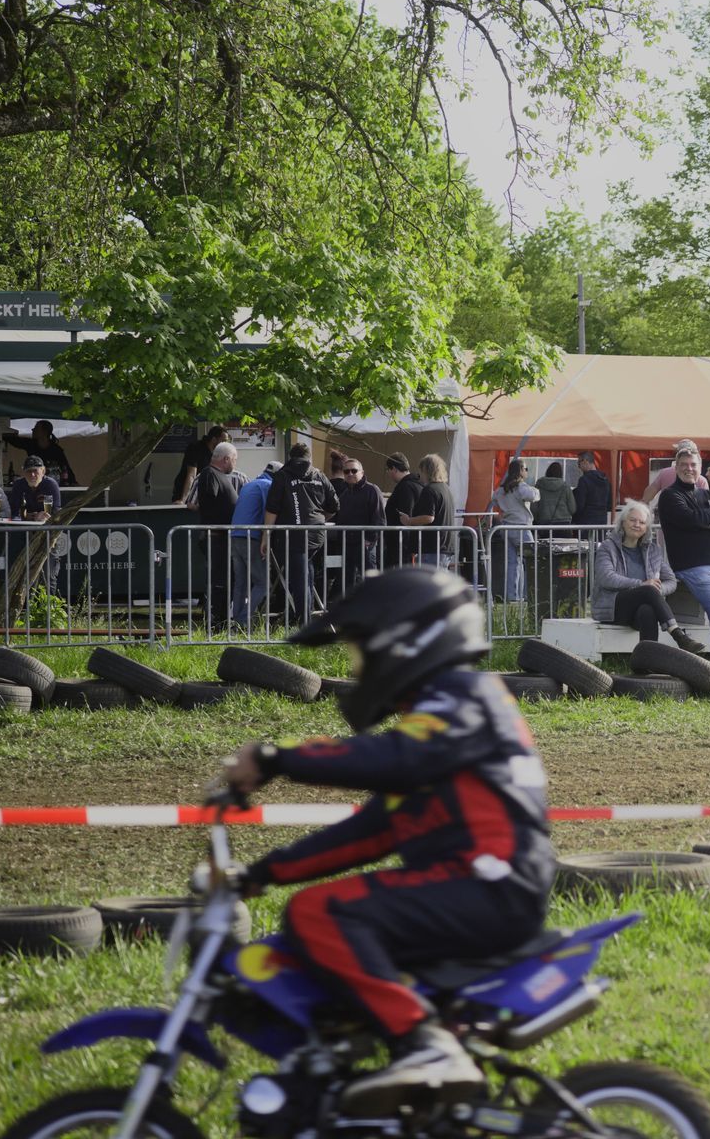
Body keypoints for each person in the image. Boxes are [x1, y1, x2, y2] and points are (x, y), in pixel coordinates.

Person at [219, 566, 551, 1113]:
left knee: (320, 913)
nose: (358, 667)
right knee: (321, 925)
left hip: (488, 883)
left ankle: (425, 1045)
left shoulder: (465, 696)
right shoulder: (440, 717)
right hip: (476, 885)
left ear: (406, 640)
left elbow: (400, 758)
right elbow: (373, 832)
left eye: (361, 650)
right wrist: (263, 873)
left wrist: (279, 757)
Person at [656, 442, 710, 673]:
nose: (689, 469)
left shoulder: (705, 494)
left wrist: (709, 523)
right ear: (676, 468)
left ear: (700, 467)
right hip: (693, 567)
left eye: (693, 465)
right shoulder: (670, 496)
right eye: (684, 465)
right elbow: (690, 519)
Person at [592, 500, 703, 650]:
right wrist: (642, 585)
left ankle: (648, 658)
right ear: (623, 522)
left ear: (646, 528)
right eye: (632, 520)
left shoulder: (652, 551)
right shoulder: (608, 547)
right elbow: (606, 578)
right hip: (613, 608)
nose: (637, 525)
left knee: (648, 611)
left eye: (642, 522)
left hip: (637, 610)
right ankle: (678, 634)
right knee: (648, 590)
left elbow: (671, 581)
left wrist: (656, 590)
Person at [263, 441, 339, 623]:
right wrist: (319, 519)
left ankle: (303, 621)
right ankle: (306, 615)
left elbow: (272, 508)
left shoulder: (282, 476)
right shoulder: (319, 475)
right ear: (309, 458)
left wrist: (266, 535)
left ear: (291, 457)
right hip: (317, 534)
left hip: (293, 534)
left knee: (300, 578)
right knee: (306, 571)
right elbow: (335, 505)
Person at [188, 442, 246, 629]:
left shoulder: (219, 475)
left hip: (224, 537)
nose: (235, 464)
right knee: (218, 582)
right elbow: (208, 502)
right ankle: (214, 624)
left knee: (226, 581)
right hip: (216, 538)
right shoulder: (209, 474)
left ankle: (222, 620)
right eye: (234, 459)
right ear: (226, 459)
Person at [229, 461, 279, 628]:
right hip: (250, 537)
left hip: (235, 535)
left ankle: (236, 622)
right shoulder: (268, 486)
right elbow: (270, 511)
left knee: (241, 582)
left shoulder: (250, 485)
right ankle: (243, 619)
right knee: (263, 583)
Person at [332, 458, 385, 591]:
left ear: (362, 472)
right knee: (346, 582)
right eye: (346, 471)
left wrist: (369, 540)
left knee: (370, 581)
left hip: (365, 545)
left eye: (354, 470)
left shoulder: (372, 490)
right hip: (347, 544)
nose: (350, 474)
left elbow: (379, 518)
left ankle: (374, 603)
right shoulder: (344, 494)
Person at [487, 459, 537, 602]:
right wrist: (536, 489)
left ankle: (513, 596)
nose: (527, 472)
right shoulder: (521, 487)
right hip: (521, 528)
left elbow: (494, 499)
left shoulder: (502, 489)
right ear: (520, 471)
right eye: (525, 469)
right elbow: (533, 496)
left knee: (513, 563)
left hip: (506, 528)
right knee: (531, 561)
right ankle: (529, 595)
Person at [403, 453, 459, 570]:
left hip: (433, 547)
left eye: (421, 471)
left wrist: (409, 521)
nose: (419, 475)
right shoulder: (446, 489)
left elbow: (429, 517)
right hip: (445, 545)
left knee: (431, 579)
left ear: (427, 471)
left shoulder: (430, 490)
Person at [383, 454, 427, 568]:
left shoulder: (406, 487)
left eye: (388, 469)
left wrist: (407, 546)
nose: (388, 473)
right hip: (409, 542)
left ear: (394, 469)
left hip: (403, 544)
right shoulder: (417, 484)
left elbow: (406, 515)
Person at [2, 420, 75, 485]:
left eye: (36, 428)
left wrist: (73, 482)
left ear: (44, 432)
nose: (33, 430)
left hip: (51, 483)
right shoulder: (31, 444)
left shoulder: (56, 450)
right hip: (35, 482)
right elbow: (15, 441)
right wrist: (2, 433)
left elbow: (65, 467)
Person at [172, 425, 228, 503]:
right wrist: (182, 500)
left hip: (203, 492)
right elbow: (191, 475)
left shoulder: (220, 452)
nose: (225, 444)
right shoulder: (195, 448)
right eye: (223, 441)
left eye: (227, 441)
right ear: (214, 439)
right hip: (184, 489)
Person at [9, 455, 59, 523]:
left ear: (43, 471)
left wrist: (43, 516)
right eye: (29, 471)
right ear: (24, 473)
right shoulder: (18, 485)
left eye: (35, 470)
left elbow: (56, 512)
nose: (32, 475)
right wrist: (27, 516)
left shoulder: (50, 485)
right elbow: (13, 512)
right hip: (23, 526)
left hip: (45, 525)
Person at [573, 451, 612, 528]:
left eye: (579, 463)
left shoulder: (584, 480)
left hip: (586, 521)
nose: (578, 467)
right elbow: (610, 504)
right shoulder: (606, 480)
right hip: (602, 521)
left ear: (585, 461)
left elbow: (580, 504)